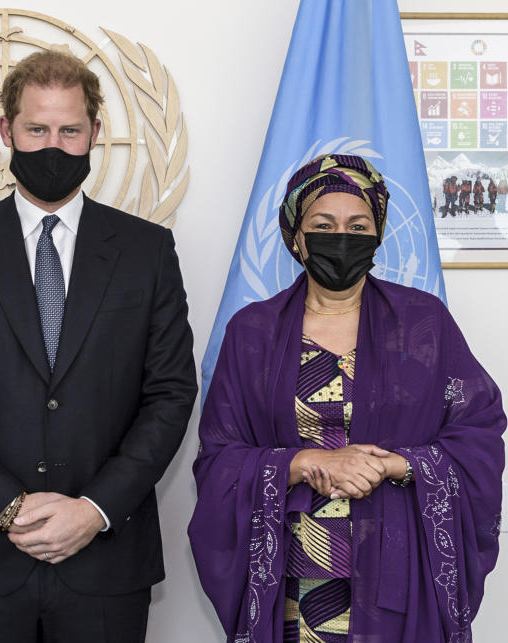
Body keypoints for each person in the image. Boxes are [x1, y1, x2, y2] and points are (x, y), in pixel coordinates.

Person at [0, 50, 197, 642]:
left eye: (70, 130)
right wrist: (7, 506)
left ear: (95, 135)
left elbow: (170, 393)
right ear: (7, 131)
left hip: (105, 557)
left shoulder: (147, 251)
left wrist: (93, 509)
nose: (53, 146)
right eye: (36, 129)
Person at [189, 154, 505, 642]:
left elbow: (478, 429)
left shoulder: (424, 324)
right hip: (296, 584)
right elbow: (219, 460)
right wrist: (305, 461)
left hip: (402, 577)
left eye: (359, 225)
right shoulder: (253, 332)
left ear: (377, 236)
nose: (343, 237)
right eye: (324, 224)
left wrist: (395, 465)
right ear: (297, 236)